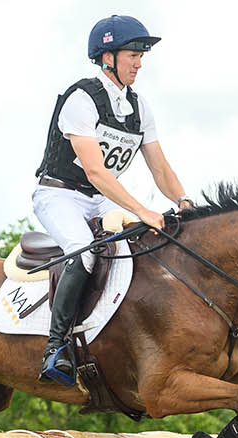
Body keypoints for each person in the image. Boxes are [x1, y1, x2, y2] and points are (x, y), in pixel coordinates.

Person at [33, 14, 195, 385]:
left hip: (101, 199)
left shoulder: (140, 108)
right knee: (85, 250)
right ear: (108, 57)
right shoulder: (81, 98)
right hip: (60, 195)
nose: (139, 62)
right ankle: (55, 348)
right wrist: (141, 209)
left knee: (145, 245)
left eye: (141, 55)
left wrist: (184, 200)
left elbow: (160, 168)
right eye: (132, 54)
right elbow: (95, 172)